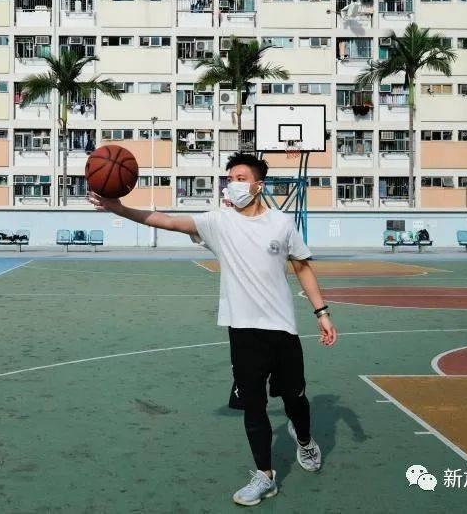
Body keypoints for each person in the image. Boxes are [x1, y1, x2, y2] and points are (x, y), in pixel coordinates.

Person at [88, 152, 338, 506]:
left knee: (294, 398)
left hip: (282, 329)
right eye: (229, 179)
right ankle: (265, 476)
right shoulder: (219, 222)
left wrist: (321, 313)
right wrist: (119, 208)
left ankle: (305, 441)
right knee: (253, 406)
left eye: (240, 178)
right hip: (243, 332)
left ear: (258, 185)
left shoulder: (282, 224)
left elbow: (303, 267)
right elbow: (167, 221)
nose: (232, 184)